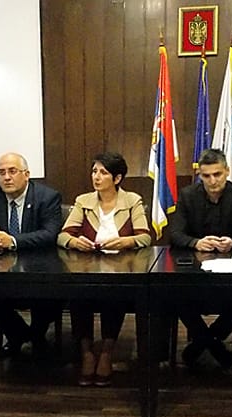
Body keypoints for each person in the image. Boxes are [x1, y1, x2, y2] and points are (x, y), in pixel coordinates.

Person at [57, 152, 151, 387]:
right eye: (94, 172)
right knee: (79, 296)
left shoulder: (132, 200)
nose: (96, 177)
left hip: (121, 268)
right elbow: (63, 236)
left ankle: (107, 352)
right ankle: (87, 352)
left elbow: (145, 237)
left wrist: (125, 241)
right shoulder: (84, 201)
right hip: (87, 267)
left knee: (113, 296)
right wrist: (74, 242)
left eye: (103, 173)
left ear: (117, 178)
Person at [168, 148, 232, 369]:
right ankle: (214, 346)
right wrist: (196, 243)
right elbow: (175, 234)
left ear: (227, 171)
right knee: (173, 294)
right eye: (206, 176)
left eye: (217, 174)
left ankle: (202, 342)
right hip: (194, 270)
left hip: (230, 268)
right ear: (199, 175)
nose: (212, 180)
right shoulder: (188, 195)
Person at [0, 152, 62, 357]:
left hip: (39, 269)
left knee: (50, 298)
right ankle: (19, 334)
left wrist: (12, 241)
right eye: (1, 173)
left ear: (26, 174)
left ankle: (37, 336)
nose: (6, 177)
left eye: (12, 171)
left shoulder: (47, 197)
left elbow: (50, 234)